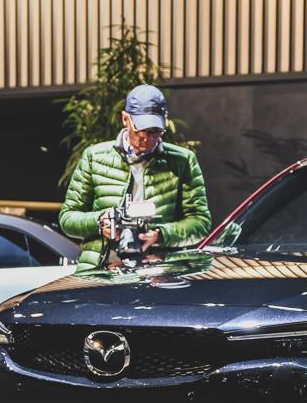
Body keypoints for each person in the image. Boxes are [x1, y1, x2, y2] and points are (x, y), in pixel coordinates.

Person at [60, 84, 211, 268]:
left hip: (159, 269)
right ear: (125, 119)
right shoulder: (94, 157)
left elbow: (200, 222)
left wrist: (161, 235)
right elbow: (67, 218)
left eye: (155, 132)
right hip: (103, 267)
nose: (147, 138)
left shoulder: (182, 161)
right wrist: (100, 222)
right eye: (140, 130)